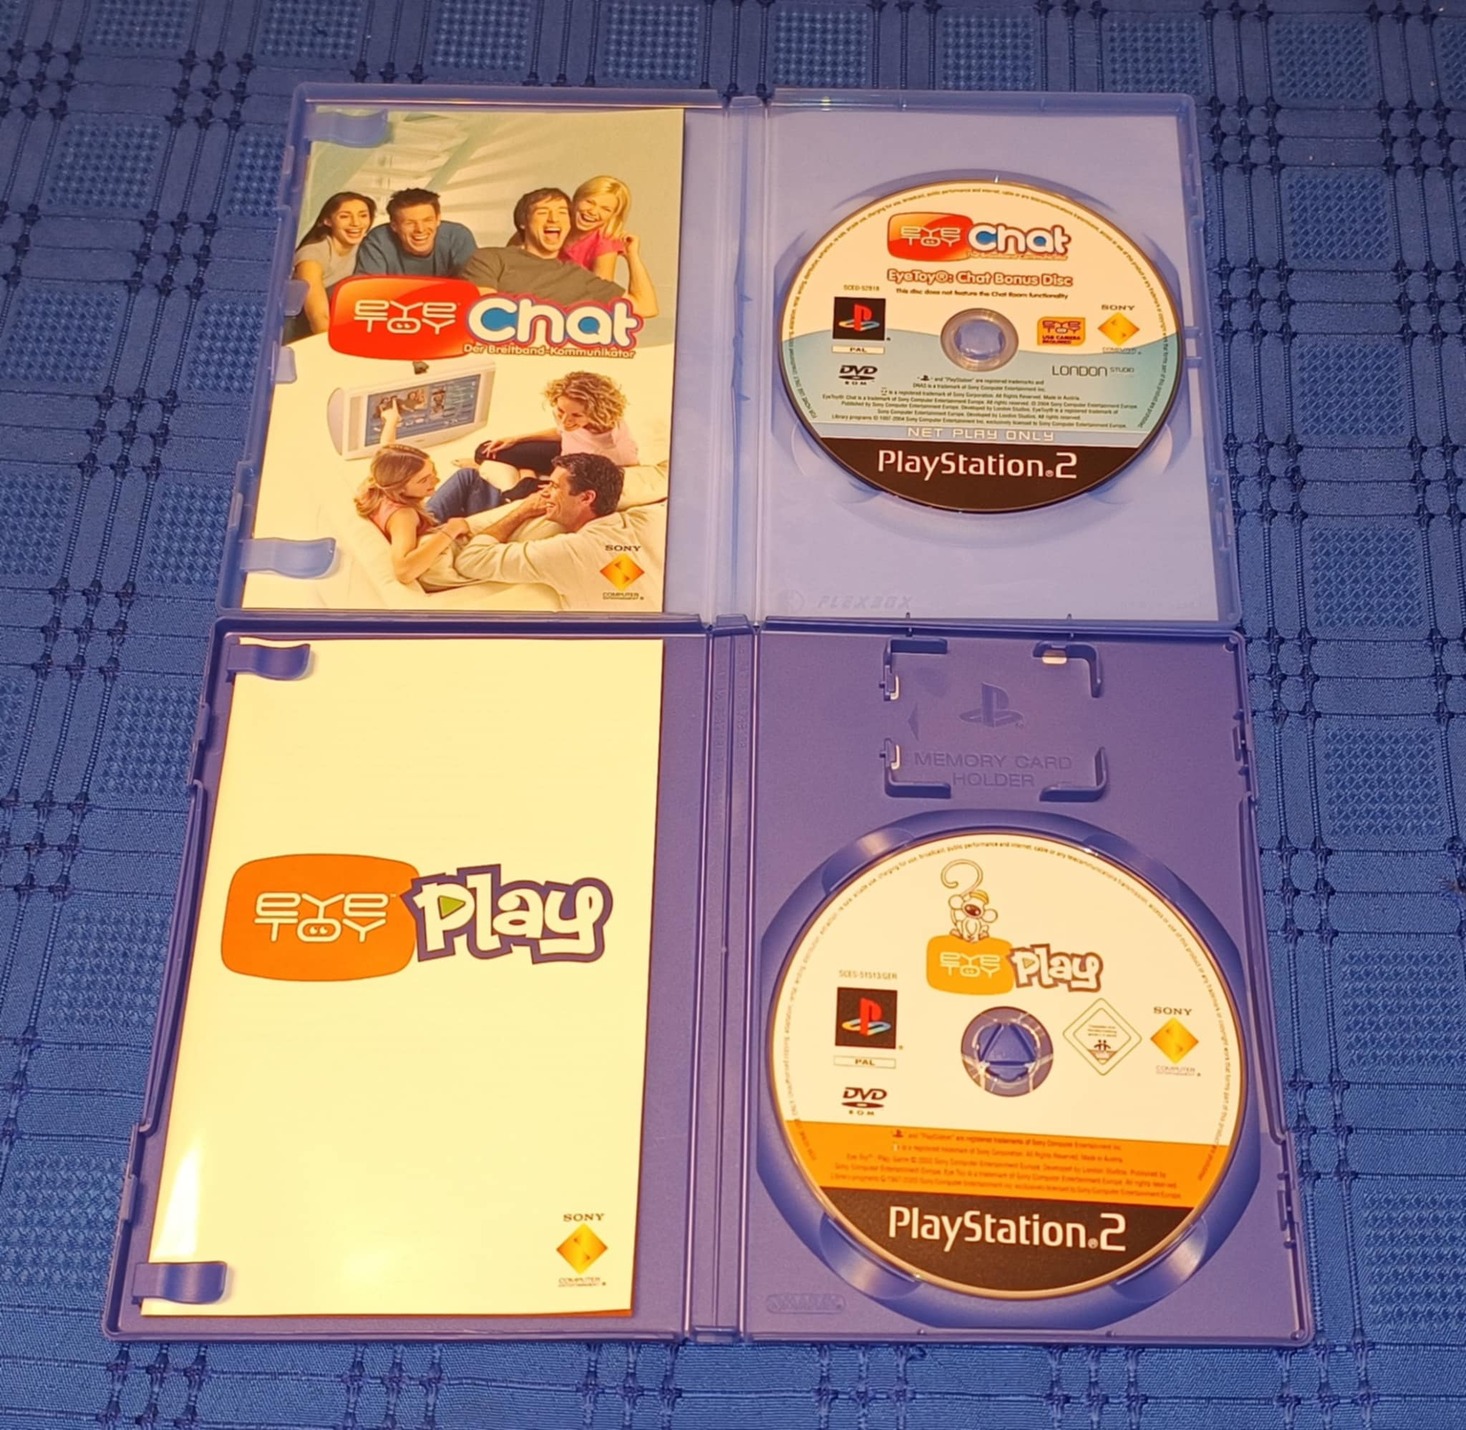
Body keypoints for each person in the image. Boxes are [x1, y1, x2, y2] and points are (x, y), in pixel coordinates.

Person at [449, 453, 663, 609]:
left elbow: (471, 560)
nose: (544, 493)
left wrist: (521, 512)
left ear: (586, 497)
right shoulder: (653, 519)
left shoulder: (568, 552)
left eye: (554, 486)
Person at [456, 188, 658, 318]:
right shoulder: (490, 258)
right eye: (543, 212)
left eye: (562, 213)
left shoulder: (579, 277)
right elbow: (487, 314)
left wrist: (633, 256)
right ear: (523, 222)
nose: (554, 219)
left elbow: (646, 307)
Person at [465, 370, 639, 503]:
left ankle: (527, 474)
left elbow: (629, 476)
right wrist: (517, 439)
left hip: (573, 472)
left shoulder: (616, 448)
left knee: (516, 496)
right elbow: (561, 431)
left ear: (597, 414)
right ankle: (526, 469)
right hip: (561, 454)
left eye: (576, 416)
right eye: (561, 411)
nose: (565, 421)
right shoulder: (572, 419)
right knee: (485, 450)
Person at [352, 402, 471, 586]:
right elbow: (404, 571)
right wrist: (451, 530)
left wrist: (391, 419)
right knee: (473, 483)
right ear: (400, 487)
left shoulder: (379, 478)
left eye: (433, 472)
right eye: (424, 480)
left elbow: (387, 448)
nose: (436, 480)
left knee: (466, 475)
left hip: (424, 520)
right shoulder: (403, 516)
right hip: (432, 530)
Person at [288, 191, 375, 339]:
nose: (356, 223)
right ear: (327, 221)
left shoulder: (367, 248)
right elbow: (317, 316)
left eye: (363, 215)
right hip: (303, 329)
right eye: (344, 216)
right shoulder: (313, 253)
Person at [353, 188, 477, 277]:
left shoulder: (458, 237)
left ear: (438, 219)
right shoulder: (378, 240)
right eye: (410, 223)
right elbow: (368, 291)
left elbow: (475, 289)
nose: (420, 229)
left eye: (427, 220)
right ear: (394, 225)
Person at [561, 176, 651, 292]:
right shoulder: (557, 225)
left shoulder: (605, 243)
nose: (593, 212)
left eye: (606, 209)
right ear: (576, 199)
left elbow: (600, 293)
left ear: (613, 216)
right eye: (589, 202)